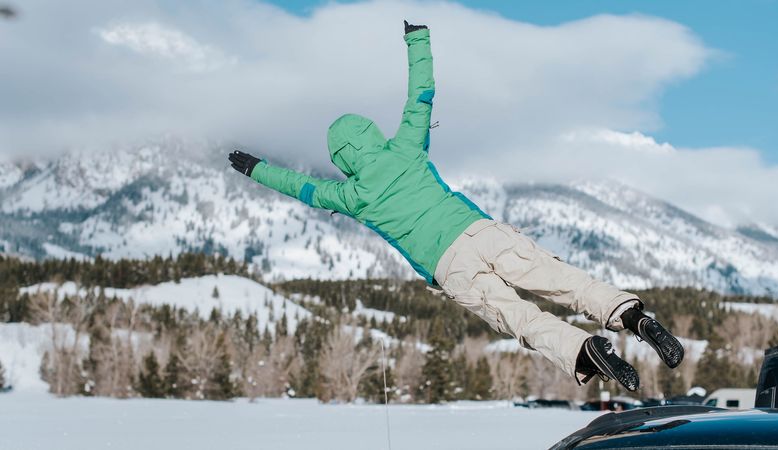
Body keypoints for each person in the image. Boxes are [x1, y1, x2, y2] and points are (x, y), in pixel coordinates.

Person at [228, 20, 684, 391]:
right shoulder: (406, 147)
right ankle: (634, 317)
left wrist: (256, 169)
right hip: (480, 231)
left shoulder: (351, 196)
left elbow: (302, 188)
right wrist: (417, 40)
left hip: (452, 268)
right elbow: (420, 95)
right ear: (371, 133)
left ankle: (586, 351)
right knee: (563, 281)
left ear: (342, 161)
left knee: (521, 318)